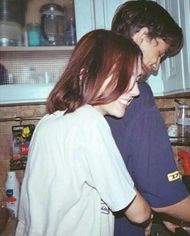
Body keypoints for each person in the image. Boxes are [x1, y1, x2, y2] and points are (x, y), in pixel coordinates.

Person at [106, 1, 190, 236]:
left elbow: (123, 169)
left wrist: (162, 212)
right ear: (144, 35)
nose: (155, 67)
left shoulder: (99, 91)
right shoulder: (135, 94)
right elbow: (165, 196)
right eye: (160, 53)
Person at [15, 29, 152, 236]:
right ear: (89, 73)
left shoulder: (48, 122)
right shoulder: (89, 123)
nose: (136, 91)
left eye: (137, 79)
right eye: (126, 77)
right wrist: (149, 215)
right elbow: (138, 213)